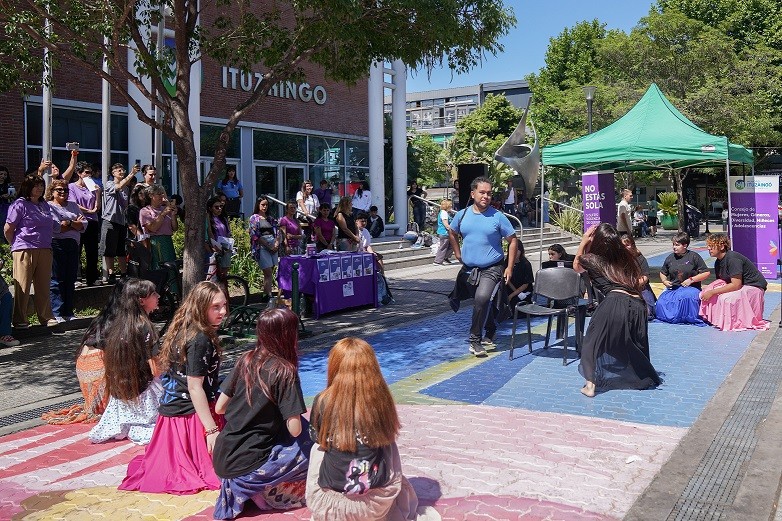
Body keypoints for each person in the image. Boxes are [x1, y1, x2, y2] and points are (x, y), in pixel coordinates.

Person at [120, 281, 227, 494]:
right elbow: (195, 387)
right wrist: (212, 430)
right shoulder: (200, 339)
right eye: (216, 307)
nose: (223, 311)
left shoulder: (187, 328)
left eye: (224, 305)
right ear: (200, 306)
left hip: (174, 414)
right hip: (191, 418)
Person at [212, 308, 312, 519]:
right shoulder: (284, 370)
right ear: (287, 335)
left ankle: (251, 491)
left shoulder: (246, 359)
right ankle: (264, 488)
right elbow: (294, 429)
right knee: (310, 439)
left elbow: (220, 407)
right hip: (249, 463)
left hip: (224, 457)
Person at [306, 337, 419, 520]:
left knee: (318, 449)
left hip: (330, 508)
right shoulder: (381, 399)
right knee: (388, 444)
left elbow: (316, 437)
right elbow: (390, 433)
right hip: (376, 504)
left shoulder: (323, 400)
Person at [573, 224, 662, 397]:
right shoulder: (624, 259)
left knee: (592, 342)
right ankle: (642, 377)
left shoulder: (593, 259)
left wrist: (583, 241)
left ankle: (590, 385)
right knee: (635, 344)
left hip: (615, 301)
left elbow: (577, 266)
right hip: (637, 304)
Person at [448, 177, 518, 357]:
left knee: (482, 298)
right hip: (470, 270)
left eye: (489, 193)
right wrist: (457, 253)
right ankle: (491, 326)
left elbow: (512, 240)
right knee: (481, 302)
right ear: (473, 194)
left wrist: (509, 267)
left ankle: (474, 340)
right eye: (482, 192)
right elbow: (452, 232)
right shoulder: (462, 214)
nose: (486, 196)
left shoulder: (498, 216)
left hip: (492, 268)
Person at [89, 279, 163, 445]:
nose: (158, 296)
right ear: (141, 300)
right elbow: (156, 368)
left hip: (120, 394)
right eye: (153, 294)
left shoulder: (118, 324)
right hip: (143, 391)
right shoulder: (146, 327)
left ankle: (129, 424)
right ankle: (140, 426)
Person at [41, 281, 126, 425]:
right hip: (101, 381)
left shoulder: (104, 315)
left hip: (88, 376)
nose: (158, 296)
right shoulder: (125, 319)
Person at [4, 175, 59, 328]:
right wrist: (14, 245)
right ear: (28, 187)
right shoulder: (19, 204)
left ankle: (46, 317)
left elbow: (53, 225)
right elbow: (8, 229)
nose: (40, 188)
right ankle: (20, 319)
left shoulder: (44, 205)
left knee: (43, 285)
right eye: (36, 185)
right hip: (24, 248)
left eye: (41, 185)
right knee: (23, 285)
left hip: (45, 248)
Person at [699, 233, 769, 331]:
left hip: (754, 286)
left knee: (725, 298)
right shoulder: (718, 262)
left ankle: (733, 322)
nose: (708, 248)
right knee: (706, 293)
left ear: (722, 246)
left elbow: (736, 285)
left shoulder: (733, 259)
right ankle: (715, 319)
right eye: (708, 246)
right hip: (741, 286)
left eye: (711, 246)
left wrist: (712, 292)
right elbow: (722, 281)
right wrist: (709, 290)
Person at [46, 179, 86, 322]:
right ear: (52, 192)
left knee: (70, 278)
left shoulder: (74, 205)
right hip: (56, 243)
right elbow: (56, 227)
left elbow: (83, 225)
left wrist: (68, 222)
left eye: (66, 190)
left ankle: (68, 312)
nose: (63, 192)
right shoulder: (49, 206)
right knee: (57, 278)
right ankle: (57, 312)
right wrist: (73, 223)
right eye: (59, 190)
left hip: (73, 244)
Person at [655, 232, 710, 325]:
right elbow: (663, 272)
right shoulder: (670, 257)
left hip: (691, 288)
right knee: (661, 302)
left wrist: (691, 280)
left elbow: (705, 273)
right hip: (674, 289)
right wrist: (664, 281)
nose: (674, 247)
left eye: (677, 245)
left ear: (685, 245)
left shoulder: (694, 256)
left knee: (687, 297)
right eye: (673, 245)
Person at [100, 162, 137, 283]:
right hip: (110, 220)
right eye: (119, 171)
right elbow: (118, 187)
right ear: (113, 173)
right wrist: (131, 174)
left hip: (122, 222)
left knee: (121, 249)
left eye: (123, 170)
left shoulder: (126, 188)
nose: (122, 172)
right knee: (109, 249)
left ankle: (123, 273)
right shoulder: (109, 184)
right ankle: (111, 274)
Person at [139, 184, 179, 293]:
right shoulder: (145, 211)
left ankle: (173, 294)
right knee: (159, 269)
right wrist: (163, 214)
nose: (162, 196)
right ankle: (159, 296)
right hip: (156, 242)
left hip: (167, 241)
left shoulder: (165, 209)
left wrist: (174, 215)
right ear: (151, 196)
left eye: (163, 194)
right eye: (159, 194)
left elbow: (174, 228)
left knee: (171, 270)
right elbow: (152, 228)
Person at [69, 162, 101, 286]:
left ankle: (92, 278)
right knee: (77, 249)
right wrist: (88, 211)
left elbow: (97, 206)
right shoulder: (72, 187)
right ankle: (77, 278)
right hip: (79, 221)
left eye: (90, 172)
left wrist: (98, 194)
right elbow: (73, 203)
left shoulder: (92, 187)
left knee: (92, 250)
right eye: (86, 172)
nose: (89, 175)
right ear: (79, 173)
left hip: (92, 221)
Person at [249, 196, 281, 298]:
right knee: (267, 271)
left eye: (266, 205)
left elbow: (277, 231)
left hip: (273, 244)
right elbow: (255, 235)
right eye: (263, 204)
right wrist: (268, 246)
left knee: (270, 271)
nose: (265, 207)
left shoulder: (270, 218)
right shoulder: (254, 218)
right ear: (258, 205)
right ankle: (269, 295)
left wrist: (276, 243)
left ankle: (266, 293)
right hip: (262, 247)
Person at [621, 233, 657, 319]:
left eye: (627, 245)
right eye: (623, 246)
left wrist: (634, 284)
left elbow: (645, 277)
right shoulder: (619, 259)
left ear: (632, 245)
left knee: (648, 312)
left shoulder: (640, 258)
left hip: (641, 288)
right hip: (624, 288)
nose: (625, 248)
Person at [206, 195, 232, 284]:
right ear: (210, 208)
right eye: (216, 207)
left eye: (221, 206)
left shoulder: (223, 218)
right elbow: (210, 233)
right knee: (216, 271)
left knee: (225, 270)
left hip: (225, 245)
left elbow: (228, 232)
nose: (219, 209)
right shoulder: (209, 219)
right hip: (216, 246)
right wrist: (214, 245)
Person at [507, 242, 534, 308]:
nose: (515, 253)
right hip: (512, 288)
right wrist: (513, 293)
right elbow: (507, 279)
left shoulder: (526, 264)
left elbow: (526, 284)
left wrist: (512, 295)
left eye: (517, 250)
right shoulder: (507, 262)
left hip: (524, 291)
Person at [433, 199, 454, 265]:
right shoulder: (444, 213)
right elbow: (446, 224)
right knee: (443, 247)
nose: (451, 205)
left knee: (451, 245)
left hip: (446, 233)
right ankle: (438, 261)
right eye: (450, 204)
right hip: (444, 233)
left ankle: (445, 257)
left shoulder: (445, 213)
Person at [0, 167, 14, 237]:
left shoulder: (8, 185)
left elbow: (13, 197)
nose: (3, 176)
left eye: (5, 174)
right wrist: (2, 196)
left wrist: (12, 195)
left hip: (7, 206)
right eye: (1, 174)